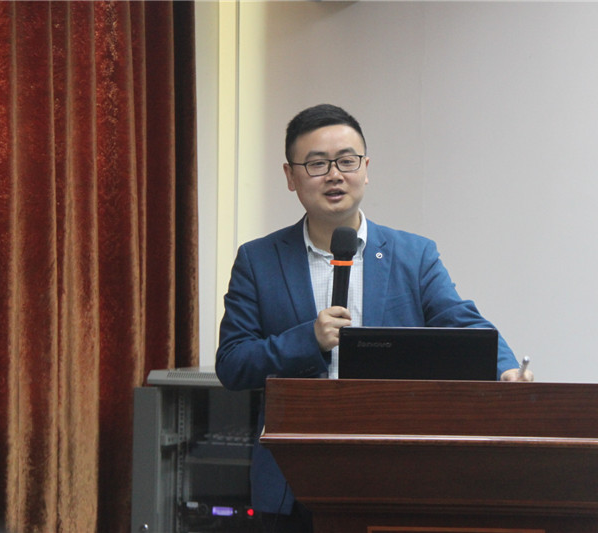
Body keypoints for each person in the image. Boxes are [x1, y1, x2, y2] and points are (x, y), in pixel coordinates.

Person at [215, 104, 533, 532]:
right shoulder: (258, 260)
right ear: (290, 176)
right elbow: (233, 363)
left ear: (366, 169)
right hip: (293, 477)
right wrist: (308, 339)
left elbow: (462, 323)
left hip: (395, 469)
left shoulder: (413, 255)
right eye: (317, 164)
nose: (334, 175)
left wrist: (505, 370)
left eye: (347, 161)